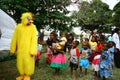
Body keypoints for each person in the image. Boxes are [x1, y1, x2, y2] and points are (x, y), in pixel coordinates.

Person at [10, 12, 37, 80]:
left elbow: (34, 39)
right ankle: (22, 74)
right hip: (20, 50)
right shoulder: (18, 27)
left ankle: (27, 75)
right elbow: (14, 38)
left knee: (28, 62)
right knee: (20, 62)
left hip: (28, 50)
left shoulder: (33, 27)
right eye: (29, 21)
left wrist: (33, 50)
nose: (30, 22)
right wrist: (13, 48)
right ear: (24, 20)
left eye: (31, 21)